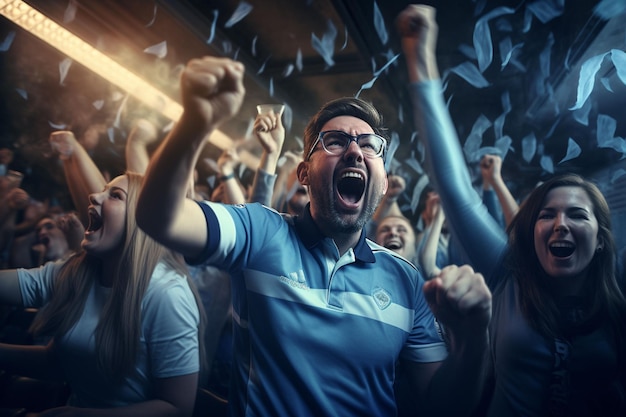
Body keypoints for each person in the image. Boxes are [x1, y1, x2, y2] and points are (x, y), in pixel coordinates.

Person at [136, 55, 492, 416]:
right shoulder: (261, 232)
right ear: (304, 174)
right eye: (335, 141)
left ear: (382, 182)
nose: (355, 150)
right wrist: (194, 124)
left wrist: (474, 339)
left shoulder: (406, 279)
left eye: (369, 145)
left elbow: (445, 405)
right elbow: (161, 218)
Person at [398, 4, 626, 416]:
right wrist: (420, 54)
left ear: (601, 238)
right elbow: (455, 190)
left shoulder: (617, 291)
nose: (560, 223)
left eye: (577, 215)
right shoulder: (509, 273)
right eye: (546, 214)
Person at [0, 172, 204, 416]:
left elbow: (177, 408)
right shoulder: (80, 270)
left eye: (115, 196)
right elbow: (58, 363)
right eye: (103, 190)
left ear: (144, 221)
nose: (94, 195)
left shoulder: (167, 294)